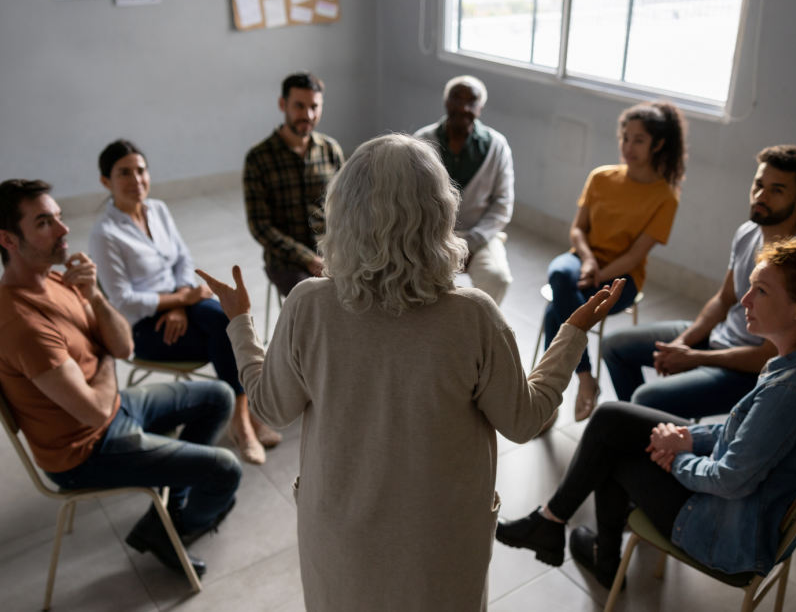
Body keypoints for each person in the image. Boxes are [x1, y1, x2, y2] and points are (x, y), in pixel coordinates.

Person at [198, 135, 627, 612]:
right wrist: (571, 335)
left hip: (341, 539)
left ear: (341, 213)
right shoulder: (473, 316)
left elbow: (271, 407)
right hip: (440, 544)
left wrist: (240, 323)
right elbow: (523, 421)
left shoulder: (309, 305)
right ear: (440, 214)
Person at [497, 238, 796, 591]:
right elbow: (746, 430)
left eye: (761, 291)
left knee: (614, 452)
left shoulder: (791, 390)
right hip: (749, 495)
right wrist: (689, 438)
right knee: (613, 418)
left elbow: (729, 480)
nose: (745, 300)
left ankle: (595, 552)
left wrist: (678, 457)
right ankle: (552, 523)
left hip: (725, 525)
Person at [0, 179, 241, 578]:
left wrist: (95, 297)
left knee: (219, 396)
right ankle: (179, 528)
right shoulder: (22, 324)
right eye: (44, 222)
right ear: (8, 239)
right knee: (225, 470)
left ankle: (165, 518)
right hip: (85, 451)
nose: (64, 229)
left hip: (113, 408)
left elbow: (123, 346)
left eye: (59, 217)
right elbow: (95, 409)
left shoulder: (54, 279)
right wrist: (104, 352)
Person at [89, 139, 280, 465]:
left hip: (181, 305)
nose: (136, 180)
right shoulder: (104, 233)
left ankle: (243, 416)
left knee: (227, 324)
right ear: (106, 181)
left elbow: (182, 260)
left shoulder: (158, 209)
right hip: (143, 328)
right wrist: (179, 299)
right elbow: (122, 299)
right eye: (124, 173)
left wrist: (179, 303)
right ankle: (246, 419)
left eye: (141, 170)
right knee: (226, 334)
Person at [603, 145, 796, 420]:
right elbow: (724, 299)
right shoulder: (748, 232)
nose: (760, 196)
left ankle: (647, 430)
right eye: (758, 184)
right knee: (614, 346)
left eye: (776, 190)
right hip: (719, 339)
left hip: (750, 371)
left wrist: (694, 358)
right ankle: (644, 431)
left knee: (645, 399)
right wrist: (682, 343)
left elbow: (769, 356)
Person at [545, 101, 687, 423]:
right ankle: (585, 378)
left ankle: (548, 396)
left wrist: (599, 275)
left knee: (556, 310)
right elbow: (578, 230)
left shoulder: (665, 197)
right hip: (583, 262)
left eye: (639, 140)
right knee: (559, 273)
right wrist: (588, 261)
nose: (628, 147)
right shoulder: (601, 177)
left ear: (657, 144)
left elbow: (636, 255)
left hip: (623, 276)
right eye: (625, 138)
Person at [414, 75, 515, 305]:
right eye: (456, 99)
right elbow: (410, 197)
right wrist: (434, 238)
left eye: (472, 101)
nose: (463, 107)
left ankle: (480, 323)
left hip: (479, 234)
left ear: (481, 107)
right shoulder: (422, 141)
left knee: (497, 278)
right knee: (420, 280)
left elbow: (502, 204)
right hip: (429, 234)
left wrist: (471, 243)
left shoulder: (496, 146)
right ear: (445, 101)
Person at [244, 72, 344, 298]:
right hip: (286, 261)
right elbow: (260, 226)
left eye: (314, 107)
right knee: (316, 301)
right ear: (283, 104)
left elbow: (346, 207)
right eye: (299, 106)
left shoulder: (330, 150)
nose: (308, 115)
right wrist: (308, 260)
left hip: (330, 251)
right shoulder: (258, 158)